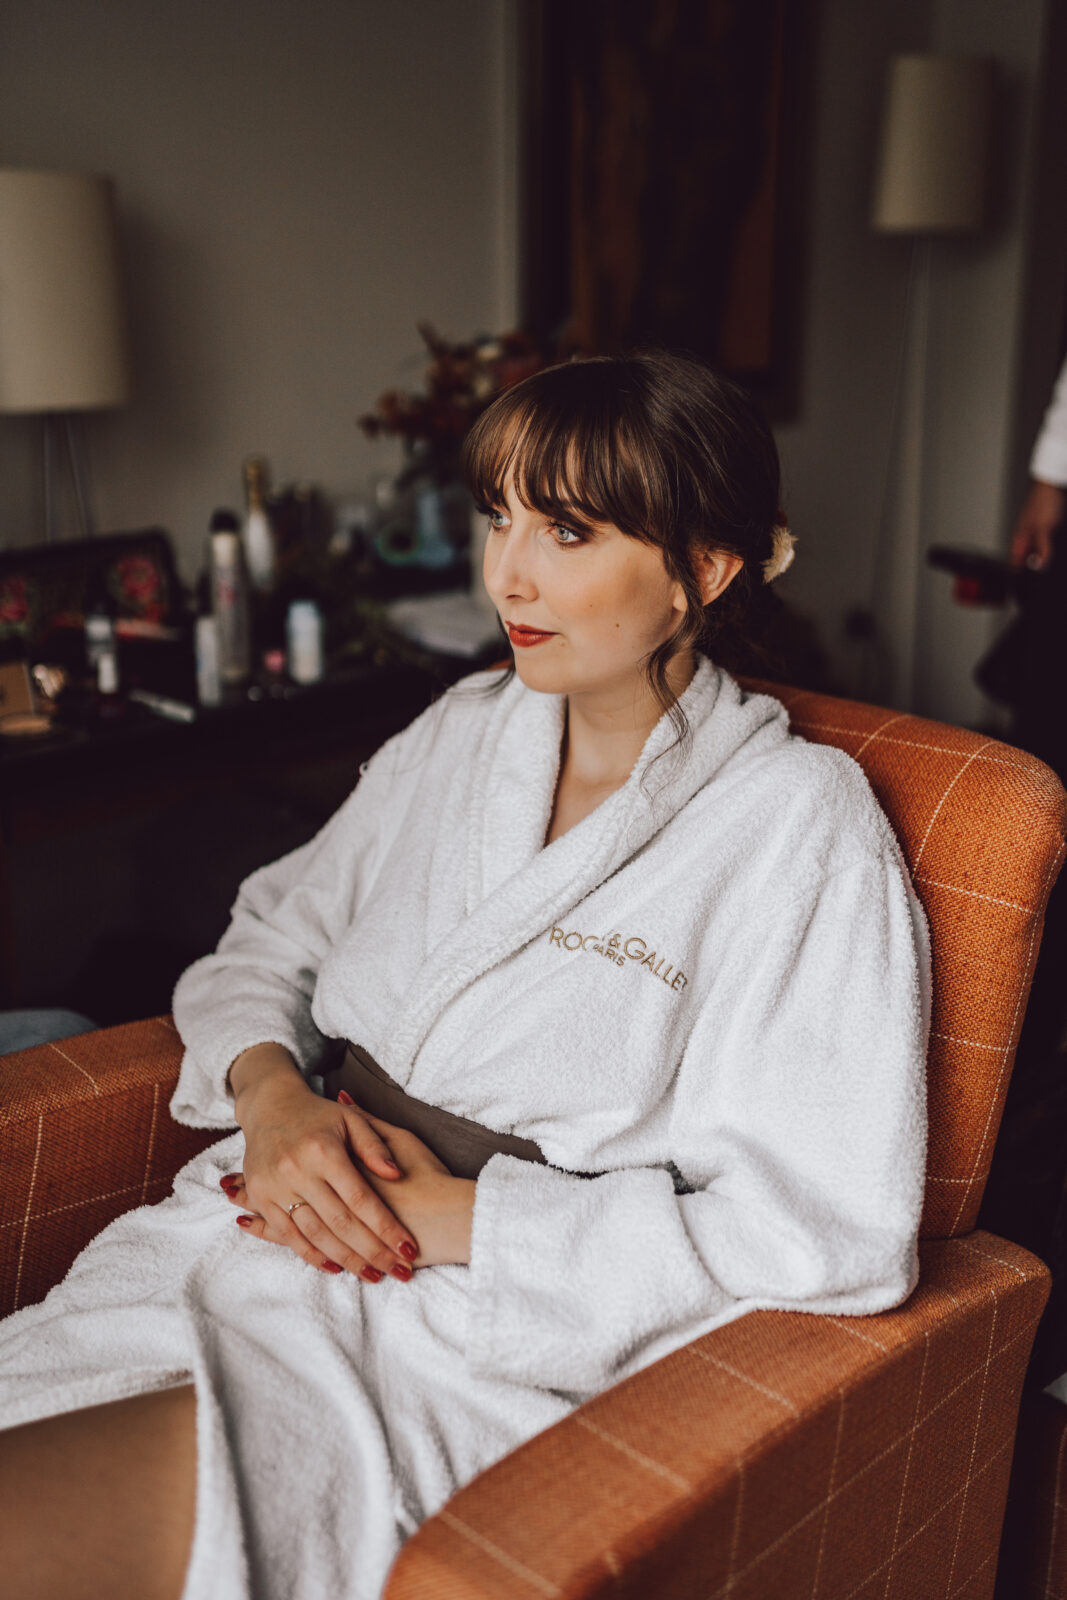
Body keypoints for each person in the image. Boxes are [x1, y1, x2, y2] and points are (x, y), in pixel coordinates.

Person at [0, 350, 931, 1600]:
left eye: (566, 530)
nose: (506, 574)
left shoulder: (797, 824)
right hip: (250, 1227)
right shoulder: (462, 730)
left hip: (460, 1335)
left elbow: (827, 1232)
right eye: (499, 515)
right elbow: (269, 933)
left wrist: (470, 1222)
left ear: (702, 572)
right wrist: (272, 1101)